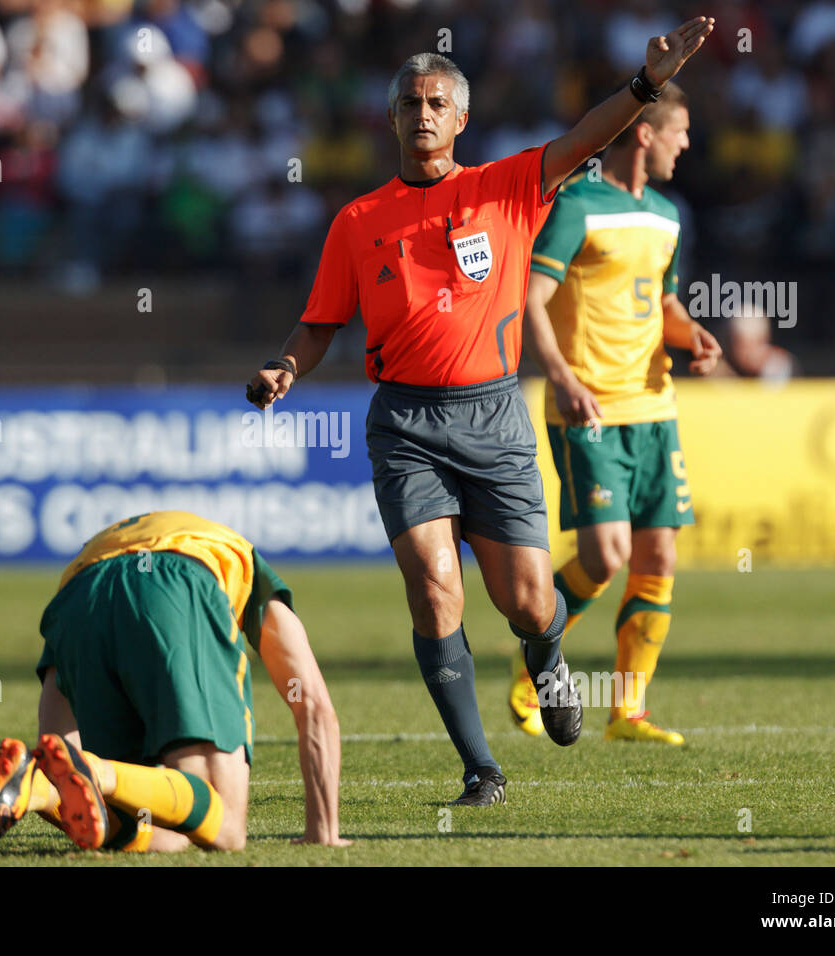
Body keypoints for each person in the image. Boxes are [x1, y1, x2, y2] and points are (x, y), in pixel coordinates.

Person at [247, 18, 714, 805]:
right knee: (434, 588)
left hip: (493, 421)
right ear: (391, 118)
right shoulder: (358, 221)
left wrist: (645, 84)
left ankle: (547, 655)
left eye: (436, 102)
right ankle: (480, 769)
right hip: (405, 426)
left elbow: (584, 135)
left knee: (528, 602)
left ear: (461, 118)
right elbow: (321, 322)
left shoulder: (507, 186)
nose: (422, 114)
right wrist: (285, 364)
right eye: (408, 103)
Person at [509, 81, 722, 745]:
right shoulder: (577, 205)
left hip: (655, 406)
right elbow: (530, 298)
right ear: (646, 133)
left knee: (657, 558)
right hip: (589, 408)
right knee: (605, 556)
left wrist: (694, 335)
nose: (686, 144)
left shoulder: (667, 213)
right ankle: (537, 662)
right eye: (679, 131)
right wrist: (563, 377)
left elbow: (659, 303)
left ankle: (627, 712)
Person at [0, 511, 347, 855]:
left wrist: (46, 772)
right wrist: (324, 832)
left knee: (155, 829)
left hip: (77, 596)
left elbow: (57, 741)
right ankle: (98, 772)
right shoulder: (245, 563)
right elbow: (312, 703)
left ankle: (31, 791)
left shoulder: (97, 557)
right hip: (178, 579)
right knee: (225, 825)